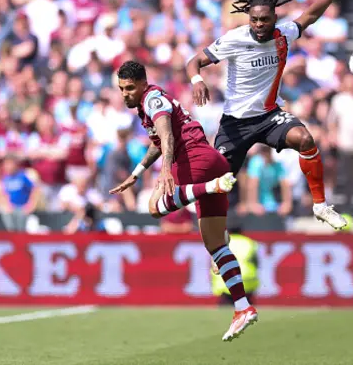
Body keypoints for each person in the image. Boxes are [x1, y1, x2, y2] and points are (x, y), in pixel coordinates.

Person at [186, 0, 348, 230]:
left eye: (264, 19)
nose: (259, 24)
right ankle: (217, 243)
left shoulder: (283, 34)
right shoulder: (234, 39)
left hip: (269, 116)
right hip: (235, 123)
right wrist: (196, 79)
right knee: (217, 186)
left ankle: (320, 206)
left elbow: (309, 16)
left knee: (305, 139)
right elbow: (193, 61)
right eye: (254, 20)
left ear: (274, 18)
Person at [109, 61, 257, 342]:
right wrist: (137, 173)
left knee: (154, 208)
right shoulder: (152, 101)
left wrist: (166, 169)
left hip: (192, 162)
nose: (124, 94)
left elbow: (166, 134)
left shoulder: (152, 99)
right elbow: (157, 140)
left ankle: (210, 187)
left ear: (142, 84)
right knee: (215, 245)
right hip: (213, 160)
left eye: (129, 88)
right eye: (121, 89)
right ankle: (243, 306)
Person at [211, 225, 259, 307]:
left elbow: (214, 263)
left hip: (225, 279)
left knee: (225, 306)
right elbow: (256, 262)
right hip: (246, 279)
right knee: (246, 306)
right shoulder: (250, 242)